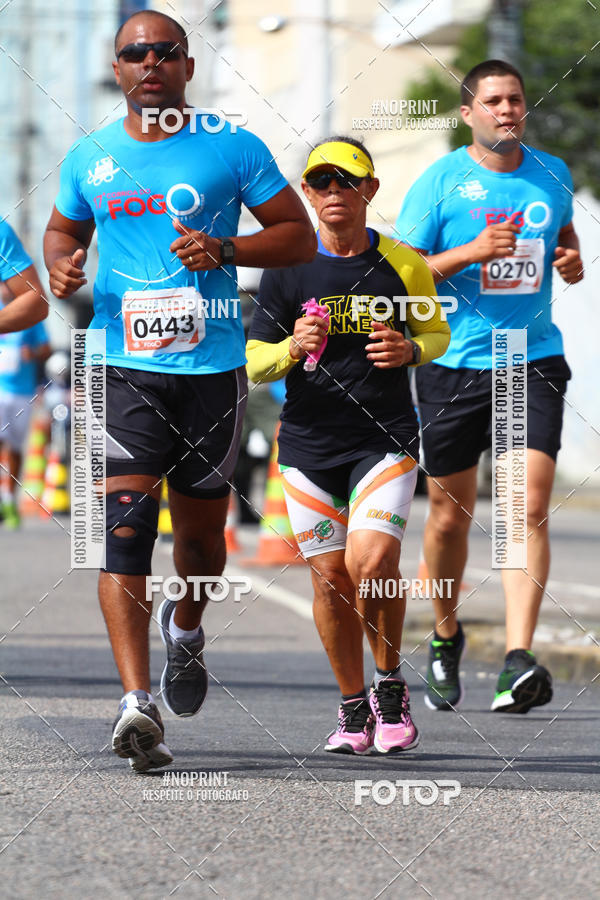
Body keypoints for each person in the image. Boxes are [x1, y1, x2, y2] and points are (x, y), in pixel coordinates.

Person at [44, 9, 316, 772]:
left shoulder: (232, 146)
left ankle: (187, 628)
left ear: (188, 67)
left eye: (165, 51)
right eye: (136, 53)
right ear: (118, 70)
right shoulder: (91, 156)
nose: (151, 62)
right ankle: (137, 704)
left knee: (200, 540)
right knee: (127, 530)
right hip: (121, 368)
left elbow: (296, 235)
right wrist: (64, 264)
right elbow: (64, 232)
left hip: (213, 369)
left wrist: (227, 246)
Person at [247, 137, 450, 754]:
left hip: (383, 438)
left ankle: (390, 682)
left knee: (372, 564)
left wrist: (411, 349)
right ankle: (353, 708)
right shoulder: (286, 267)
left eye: (347, 180)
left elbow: (436, 330)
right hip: (308, 446)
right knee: (331, 579)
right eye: (321, 182)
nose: (334, 192)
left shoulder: (405, 263)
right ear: (306, 193)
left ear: (370, 190)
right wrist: (292, 347)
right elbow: (256, 363)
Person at [395, 60, 584, 714]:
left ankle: (516, 658)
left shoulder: (553, 173)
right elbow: (404, 273)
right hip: (453, 363)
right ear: (469, 113)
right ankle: (446, 633)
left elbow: (562, 234)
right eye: (495, 101)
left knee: (526, 507)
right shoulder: (442, 181)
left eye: (516, 100)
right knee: (450, 513)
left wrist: (572, 258)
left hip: (529, 358)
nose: (508, 110)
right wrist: (469, 254)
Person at [0, 222, 49, 528]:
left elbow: (44, 347)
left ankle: (10, 501)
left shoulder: (24, 316)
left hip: (20, 390)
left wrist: (31, 354)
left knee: (15, 448)